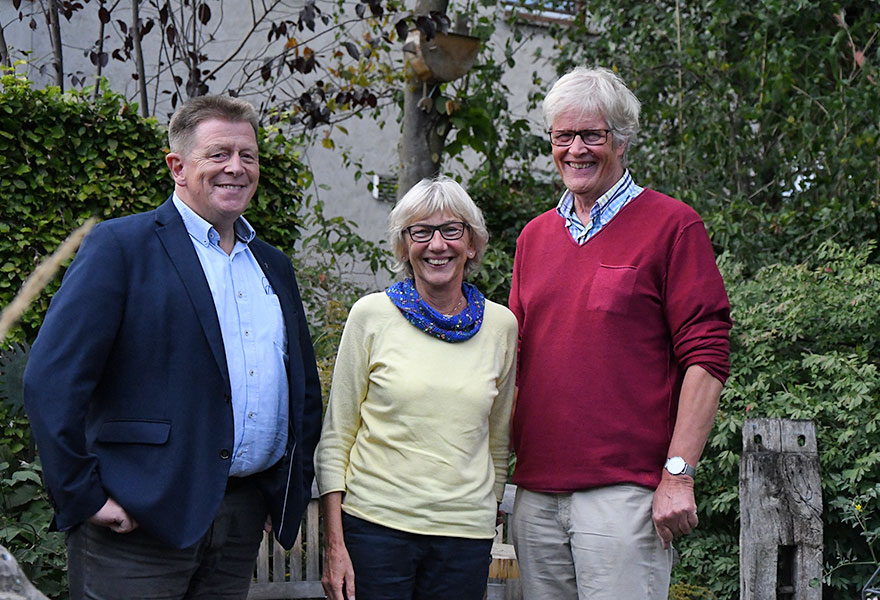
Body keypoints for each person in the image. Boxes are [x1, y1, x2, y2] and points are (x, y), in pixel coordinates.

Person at [23, 95, 323, 600]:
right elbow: (50, 380)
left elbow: (302, 393)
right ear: (177, 167)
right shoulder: (122, 247)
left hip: (240, 518)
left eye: (247, 155)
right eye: (219, 154)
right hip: (139, 520)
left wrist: (283, 495)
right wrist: (82, 495)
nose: (236, 167)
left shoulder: (273, 266)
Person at [508, 66, 732, 599]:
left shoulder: (673, 226)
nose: (576, 149)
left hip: (624, 497)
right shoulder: (534, 238)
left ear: (623, 140)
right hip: (535, 497)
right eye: (564, 135)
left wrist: (678, 474)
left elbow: (708, 355)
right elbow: (513, 363)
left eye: (593, 135)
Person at [315, 177, 517, 600]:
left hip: (464, 537)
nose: (437, 244)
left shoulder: (501, 326)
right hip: (375, 531)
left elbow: (497, 441)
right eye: (420, 232)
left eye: (451, 230)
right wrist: (335, 544)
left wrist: (483, 510)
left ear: (473, 244)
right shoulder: (371, 316)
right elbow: (336, 438)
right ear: (404, 246)